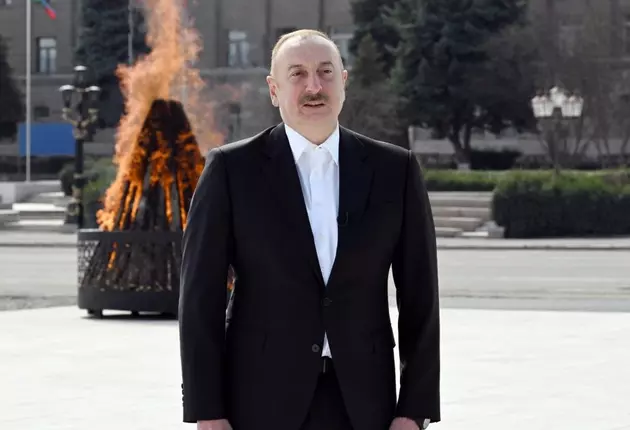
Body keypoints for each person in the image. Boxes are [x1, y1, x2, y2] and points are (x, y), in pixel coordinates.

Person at [179, 29, 440, 430]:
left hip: (365, 403)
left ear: (344, 82)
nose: (314, 86)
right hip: (259, 399)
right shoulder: (231, 170)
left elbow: (421, 297)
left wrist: (414, 411)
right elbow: (200, 299)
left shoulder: (395, 170)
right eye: (298, 74)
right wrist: (207, 411)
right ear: (274, 89)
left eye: (325, 72)